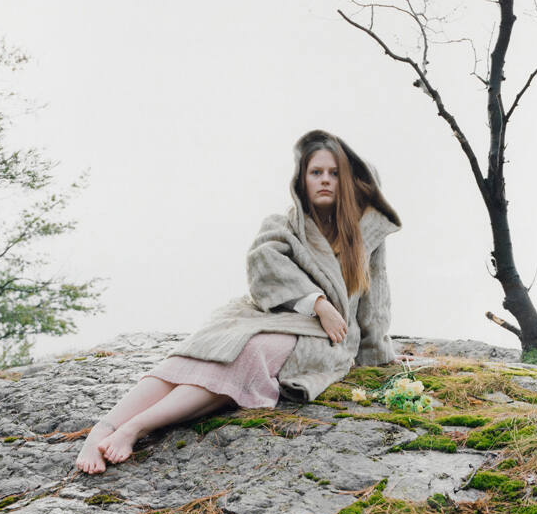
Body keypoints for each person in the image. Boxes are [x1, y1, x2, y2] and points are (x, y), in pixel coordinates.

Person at [75, 129, 404, 474]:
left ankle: (135, 428)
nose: (325, 180)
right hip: (269, 313)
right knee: (200, 352)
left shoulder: (365, 236)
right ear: (301, 179)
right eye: (316, 172)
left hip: (324, 338)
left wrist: (378, 354)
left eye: (335, 174)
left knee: (251, 354)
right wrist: (318, 302)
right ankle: (104, 428)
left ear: (348, 181)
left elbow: (376, 298)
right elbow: (264, 266)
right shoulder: (282, 225)